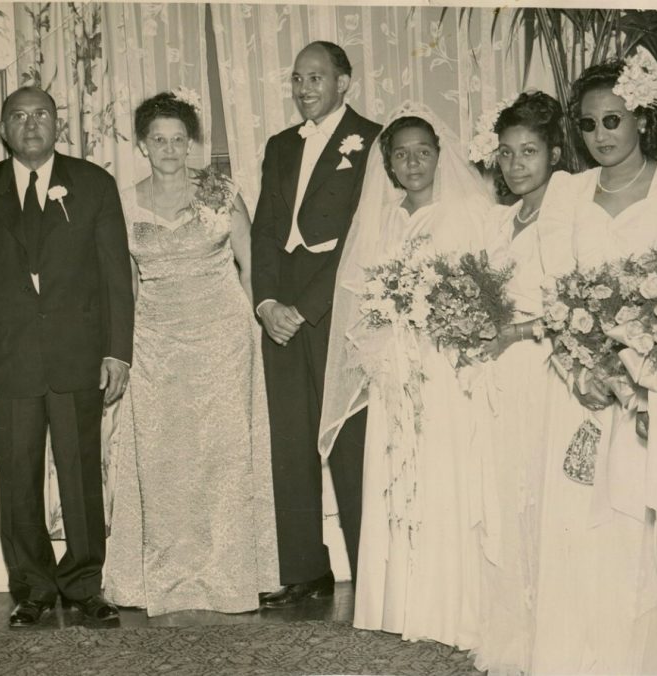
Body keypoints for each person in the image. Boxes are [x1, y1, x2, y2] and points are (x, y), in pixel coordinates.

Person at [531, 59, 657, 673]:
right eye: (589, 125)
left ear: (642, 118)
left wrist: (638, 375)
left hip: (647, 383)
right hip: (580, 382)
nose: (601, 135)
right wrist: (579, 370)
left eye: (613, 120)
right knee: (579, 522)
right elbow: (554, 294)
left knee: (634, 524)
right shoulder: (568, 193)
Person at [320, 103, 501, 648]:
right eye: (402, 154)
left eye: (423, 151)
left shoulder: (469, 212)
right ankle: (399, 603)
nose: (414, 162)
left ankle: (449, 608)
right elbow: (361, 299)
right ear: (389, 165)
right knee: (397, 475)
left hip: (447, 367)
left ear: (439, 156)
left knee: (447, 474)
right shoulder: (384, 218)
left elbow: (489, 293)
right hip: (397, 370)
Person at [0, 87, 133, 627]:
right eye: (18, 116)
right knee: (17, 477)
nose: (30, 125)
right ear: (3, 129)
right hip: (8, 364)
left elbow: (115, 279)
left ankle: (83, 584)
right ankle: (31, 586)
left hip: (78, 358)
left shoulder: (94, 184)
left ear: (58, 125)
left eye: (41, 116)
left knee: (81, 476)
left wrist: (117, 352)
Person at [103, 91, 279, 614]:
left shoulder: (220, 192)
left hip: (223, 339)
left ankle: (229, 575)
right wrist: (126, 350)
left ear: (191, 142)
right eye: (158, 139)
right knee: (165, 461)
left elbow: (250, 266)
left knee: (223, 459)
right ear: (142, 144)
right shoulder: (125, 201)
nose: (170, 149)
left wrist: (252, 331)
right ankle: (167, 575)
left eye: (179, 139)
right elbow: (125, 283)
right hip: (156, 345)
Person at [252, 41, 381, 607]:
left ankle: (370, 568)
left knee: (349, 440)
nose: (306, 88)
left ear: (344, 82)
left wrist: (308, 304)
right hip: (281, 313)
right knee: (291, 441)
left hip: (336, 306)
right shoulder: (280, 145)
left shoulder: (374, 140)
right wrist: (267, 304)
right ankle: (305, 569)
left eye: (317, 78)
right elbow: (263, 231)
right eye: (298, 78)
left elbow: (364, 238)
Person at [469, 91, 576, 675]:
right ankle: (513, 630)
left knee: (542, 495)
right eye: (506, 154)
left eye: (529, 152)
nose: (515, 165)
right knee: (504, 496)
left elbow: (575, 306)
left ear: (555, 153)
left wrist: (517, 333)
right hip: (500, 372)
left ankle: (549, 638)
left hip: (545, 369)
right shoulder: (500, 218)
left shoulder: (568, 211)